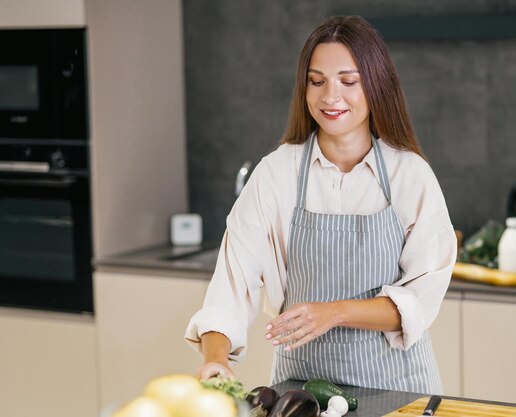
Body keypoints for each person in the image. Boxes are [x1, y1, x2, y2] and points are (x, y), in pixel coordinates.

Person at [185, 15, 457, 394]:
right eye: (317, 81)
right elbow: (231, 284)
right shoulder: (276, 174)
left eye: (348, 81)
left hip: (398, 389)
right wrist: (215, 358)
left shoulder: (410, 175)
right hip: (301, 391)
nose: (330, 97)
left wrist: (333, 312)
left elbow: (419, 300)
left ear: (376, 85)